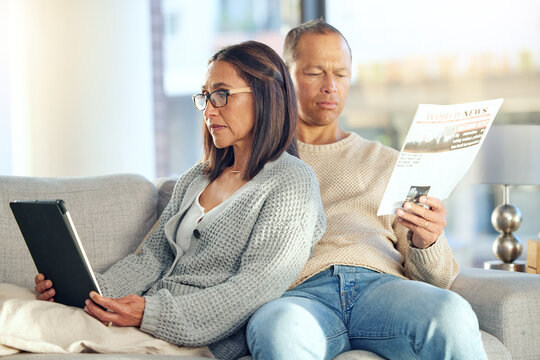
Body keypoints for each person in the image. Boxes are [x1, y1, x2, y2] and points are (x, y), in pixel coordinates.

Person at [34, 40, 326, 360]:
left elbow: (257, 286)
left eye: (221, 95)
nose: (209, 110)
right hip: (145, 320)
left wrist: (152, 314)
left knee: (19, 323)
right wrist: (90, 292)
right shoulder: (196, 178)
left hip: (201, 337)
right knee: (21, 307)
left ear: (266, 96)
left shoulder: (292, 182)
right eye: (206, 97)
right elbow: (152, 259)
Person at [246, 20, 487, 360]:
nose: (330, 86)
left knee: (451, 312)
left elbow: (439, 280)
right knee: (277, 328)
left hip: (381, 291)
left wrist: (427, 241)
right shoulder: (259, 161)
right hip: (299, 296)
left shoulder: (387, 162)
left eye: (341, 74)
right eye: (315, 73)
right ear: (286, 76)